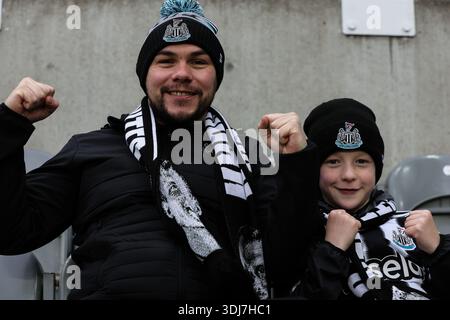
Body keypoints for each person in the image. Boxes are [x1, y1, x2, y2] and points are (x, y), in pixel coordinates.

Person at [0, 0, 318, 299]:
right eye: (166, 60)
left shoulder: (249, 159)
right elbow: (12, 232)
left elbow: (286, 268)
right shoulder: (91, 148)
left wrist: (297, 166)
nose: (181, 73)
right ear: (146, 75)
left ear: (215, 77)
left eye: (198, 61)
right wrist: (9, 126)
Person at [292, 98, 450, 300]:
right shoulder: (300, 231)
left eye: (361, 161)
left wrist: (440, 251)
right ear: (315, 170)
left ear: (377, 168)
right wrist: (331, 251)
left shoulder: (410, 227)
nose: (349, 175)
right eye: (333, 162)